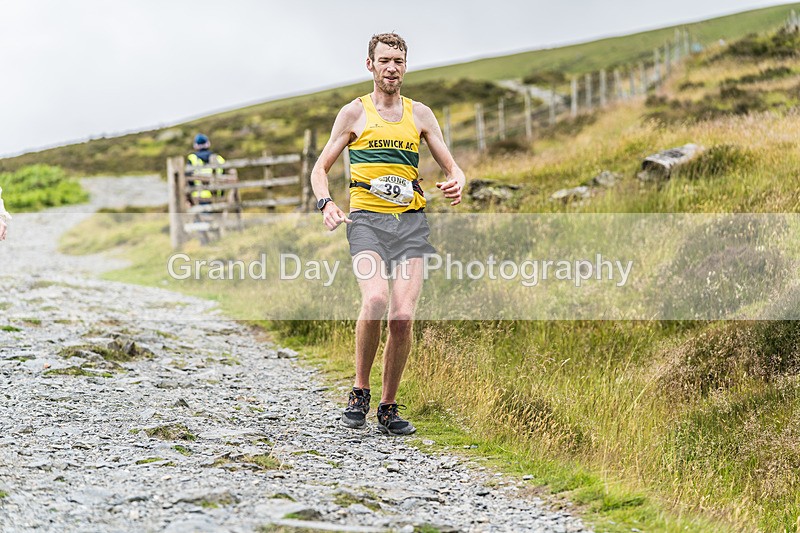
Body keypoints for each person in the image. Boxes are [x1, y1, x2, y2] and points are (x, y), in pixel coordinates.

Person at [310, 33, 466, 436]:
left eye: (398, 61)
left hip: (411, 225)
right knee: (376, 298)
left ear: (405, 66)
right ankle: (359, 391)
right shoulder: (354, 113)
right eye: (384, 60)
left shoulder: (421, 115)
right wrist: (326, 204)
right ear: (370, 65)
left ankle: (388, 406)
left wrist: (457, 179)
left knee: (401, 316)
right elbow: (319, 168)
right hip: (366, 224)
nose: (391, 67)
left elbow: (453, 166)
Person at [186, 133, 226, 205]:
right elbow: (224, 177)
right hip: (218, 196)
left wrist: (190, 195)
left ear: (195, 145)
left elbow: (189, 178)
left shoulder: (192, 158)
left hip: (199, 195)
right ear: (208, 143)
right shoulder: (219, 158)